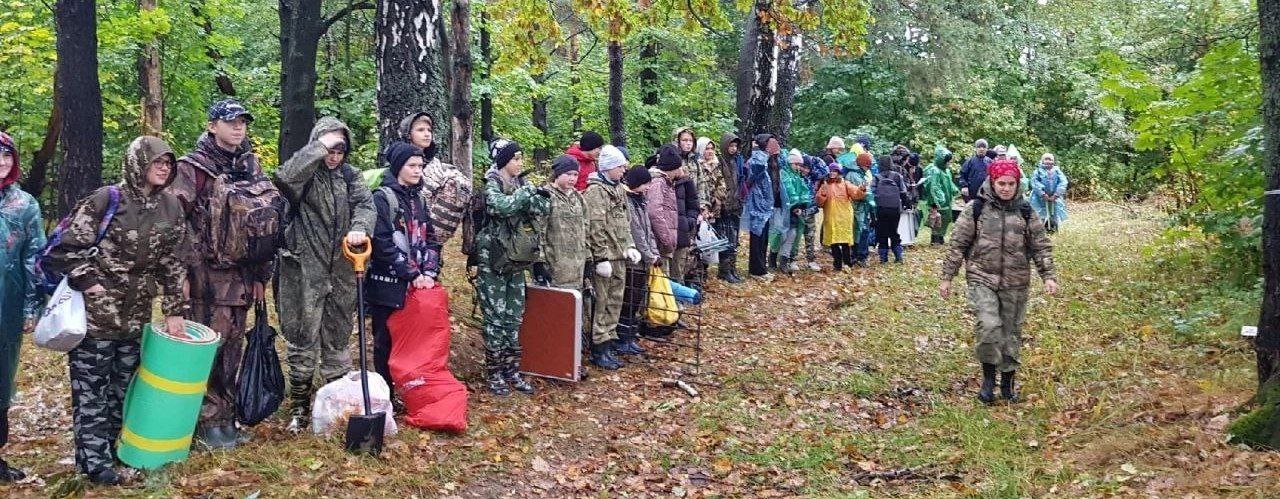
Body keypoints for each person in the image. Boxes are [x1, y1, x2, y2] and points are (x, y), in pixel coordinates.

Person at [49, 136, 190, 484]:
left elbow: (173, 264)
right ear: (137, 163)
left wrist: (174, 310)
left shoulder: (171, 208)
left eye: (169, 164)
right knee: (91, 392)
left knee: (122, 389)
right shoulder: (106, 200)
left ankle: (114, 453)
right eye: (157, 162)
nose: (164, 168)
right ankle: (93, 464)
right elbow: (63, 249)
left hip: (136, 316)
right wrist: (90, 282)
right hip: (95, 317)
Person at [171, 99, 272, 448]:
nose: (239, 128)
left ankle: (226, 419)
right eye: (231, 122)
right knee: (208, 348)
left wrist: (262, 274)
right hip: (206, 278)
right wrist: (179, 275)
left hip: (242, 277)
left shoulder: (250, 166)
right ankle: (205, 422)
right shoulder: (192, 168)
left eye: (243, 122)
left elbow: (263, 224)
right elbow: (174, 222)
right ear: (212, 125)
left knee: (232, 349)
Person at [273, 117, 376, 432]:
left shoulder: (350, 176)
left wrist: (359, 229)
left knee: (338, 338)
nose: (334, 156)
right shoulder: (304, 177)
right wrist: (318, 147)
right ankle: (299, 409)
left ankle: (336, 402)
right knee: (303, 337)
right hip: (305, 268)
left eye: (340, 149)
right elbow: (284, 177)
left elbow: (366, 206)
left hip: (343, 268)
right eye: (329, 149)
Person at [940, 159, 1057, 404]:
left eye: (1010, 183)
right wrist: (947, 277)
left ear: (1017, 184)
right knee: (988, 325)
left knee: (1010, 332)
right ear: (992, 183)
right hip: (982, 277)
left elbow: (1040, 246)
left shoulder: (1025, 211)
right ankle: (988, 379)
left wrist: (1048, 276)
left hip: (1016, 281)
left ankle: (1007, 381)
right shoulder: (976, 209)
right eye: (1001, 183)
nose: (1005, 188)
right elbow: (957, 244)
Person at [365, 143, 443, 402]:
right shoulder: (382, 198)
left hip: (418, 283)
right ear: (398, 166)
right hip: (387, 283)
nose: (417, 171)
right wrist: (411, 273)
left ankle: (408, 388)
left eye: (420, 166)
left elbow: (431, 237)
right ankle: (384, 394)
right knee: (384, 340)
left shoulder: (419, 198)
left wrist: (429, 271)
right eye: (412, 165)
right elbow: (382, 243)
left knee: (411, 340)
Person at [474, 139, 550, 396]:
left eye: (521, 158)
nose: (520, 163)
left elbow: (543, 207)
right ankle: (494, 373)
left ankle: (512, 370)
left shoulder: (521, 183)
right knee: (495, 318)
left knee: (513, 316)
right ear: (504, 160)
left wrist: (527, 195)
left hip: (517, 259)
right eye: (515, 158)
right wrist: (524, 197)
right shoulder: (491, 182)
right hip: (493, 260)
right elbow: (500, 206)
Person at [0, 131, 44, 482]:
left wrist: (32, 307)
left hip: (7, 307)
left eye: (8, 156)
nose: (2, 163)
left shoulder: (24, 204)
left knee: (1, 380)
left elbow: (35, 258)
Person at [583, 145, 644, 367]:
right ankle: (599, 348)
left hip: (619, 257)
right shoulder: (595, 192)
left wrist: (630, 246)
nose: (624, 170)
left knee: (615, 302)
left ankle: (609, 342)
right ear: (608, 167)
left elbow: (624, 222)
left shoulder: (619, 189)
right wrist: (600, 258)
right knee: (602, 302)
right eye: (620, 166)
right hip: (605, 259)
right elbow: (595, 228)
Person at [399, 112, 471, 245]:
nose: (427, 134)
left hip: (431, 241)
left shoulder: (436, 165)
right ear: (408, 134)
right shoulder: (398, 164)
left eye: (429, 130)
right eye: (420, 130)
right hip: (404, 237)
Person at [619, 166, 657, 355]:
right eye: (645, 183)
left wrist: (654, 252)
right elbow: (636, 232)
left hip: (645, 259)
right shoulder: (627, 201)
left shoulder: (640, 200)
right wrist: (648, 255)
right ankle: (623, 337)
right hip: (633, 260)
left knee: (637, 299)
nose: (648, 187)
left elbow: (648, 229)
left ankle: (631, 336)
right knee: (629, 300)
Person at [771, 149, 814, 274]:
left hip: (796, 211)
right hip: (784, 209)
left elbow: (804, 191)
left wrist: (802, 204)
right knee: (780, 235)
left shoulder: (798, 176)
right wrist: (795, 203)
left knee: (792, 235)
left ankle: (784, 260)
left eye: (799, 165)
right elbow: (789, 190)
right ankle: (773, 258)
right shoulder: (784, 173)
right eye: (796, 164)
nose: (798, 167)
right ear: (790, 163)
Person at [743, 134, 780, 281]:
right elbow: (755, 170)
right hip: (758, 203)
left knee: (764, 238)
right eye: (771, 144)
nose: (775, 147)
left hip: (767, 204)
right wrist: (759, 150)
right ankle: (756, 270)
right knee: (757, 237)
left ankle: (762, 268)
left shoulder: (773, 161)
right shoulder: (757, 159)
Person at [816, 163, 863, 272]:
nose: (833, 173)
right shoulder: (825, 185)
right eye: (831, 171)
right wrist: (821, 196)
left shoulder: (845, 184)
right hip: (831, 217)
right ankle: (837, 264)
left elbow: (856, 194)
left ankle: (847, 263)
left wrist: (862, 189)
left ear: (839, 173)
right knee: (833, 242)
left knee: (845, 242)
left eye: (835, 171)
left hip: (844, 217)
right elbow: (819, 202)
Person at [694, 137, 728, 277]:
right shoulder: (697, 165)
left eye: (711, 148)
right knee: (699, 240)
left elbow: (721, 186)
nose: (710, 151)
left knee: (709, 239)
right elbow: (698, 188)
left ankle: (706, 270)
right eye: (707, 148)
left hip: (714, 208)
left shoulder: (716, 164)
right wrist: (704, 207)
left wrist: (715, 205)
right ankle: (698, 271)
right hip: (700, 208)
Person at [715, 133, 745, 283]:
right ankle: (724, 270)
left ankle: (732, 268)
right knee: (726, 239)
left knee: (734, 240)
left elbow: (737, 184)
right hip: (724, 207)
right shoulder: (720, 161)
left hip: (735, 205)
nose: (733, 149)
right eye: (731, 146)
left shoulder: (734, 162)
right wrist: (724, 204)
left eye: (735, 146)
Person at [919, 145, 960, 245]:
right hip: (937, 202)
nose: (949, 163)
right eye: (947, 161)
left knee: (946, 219)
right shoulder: (934, 170)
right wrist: (937, 201)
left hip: (946, 201)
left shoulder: (946, 171)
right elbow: (933, 187)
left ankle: (940, 236)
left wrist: (955, 190)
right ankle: (935, 239)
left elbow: (949, 183)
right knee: (936, 219)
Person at [871, 155, 908, 263]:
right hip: (895, 209)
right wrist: (904, 204)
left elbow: (872, 193)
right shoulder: (897, 176)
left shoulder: (877, 177)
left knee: (882, 232)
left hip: (881, 209)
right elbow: (903, 192)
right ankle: (898, 255)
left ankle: (883, 258)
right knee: (894, 231)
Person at [671, 154, 700, 288]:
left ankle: (679, 298)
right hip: (666, 233)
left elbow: (694, 204)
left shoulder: (686, 182)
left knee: (679, 267)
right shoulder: (660, 181)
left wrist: (689, 221)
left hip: (682, 231)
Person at [1029, 153, 1068, 233]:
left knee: (1054, 212)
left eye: (1050, 159)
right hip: (1039, 198)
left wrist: (1057, 193)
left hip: (1055, 197)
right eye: (1046, 159)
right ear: (1042, 160)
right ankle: (1039, 229)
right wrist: (1042, 193)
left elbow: (1063, 182)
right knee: (1040, 213)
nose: (1048, 161)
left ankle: (1053, 228)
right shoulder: (1038, 171)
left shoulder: (1057, 171)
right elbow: (1034, 182)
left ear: (1053, 161)